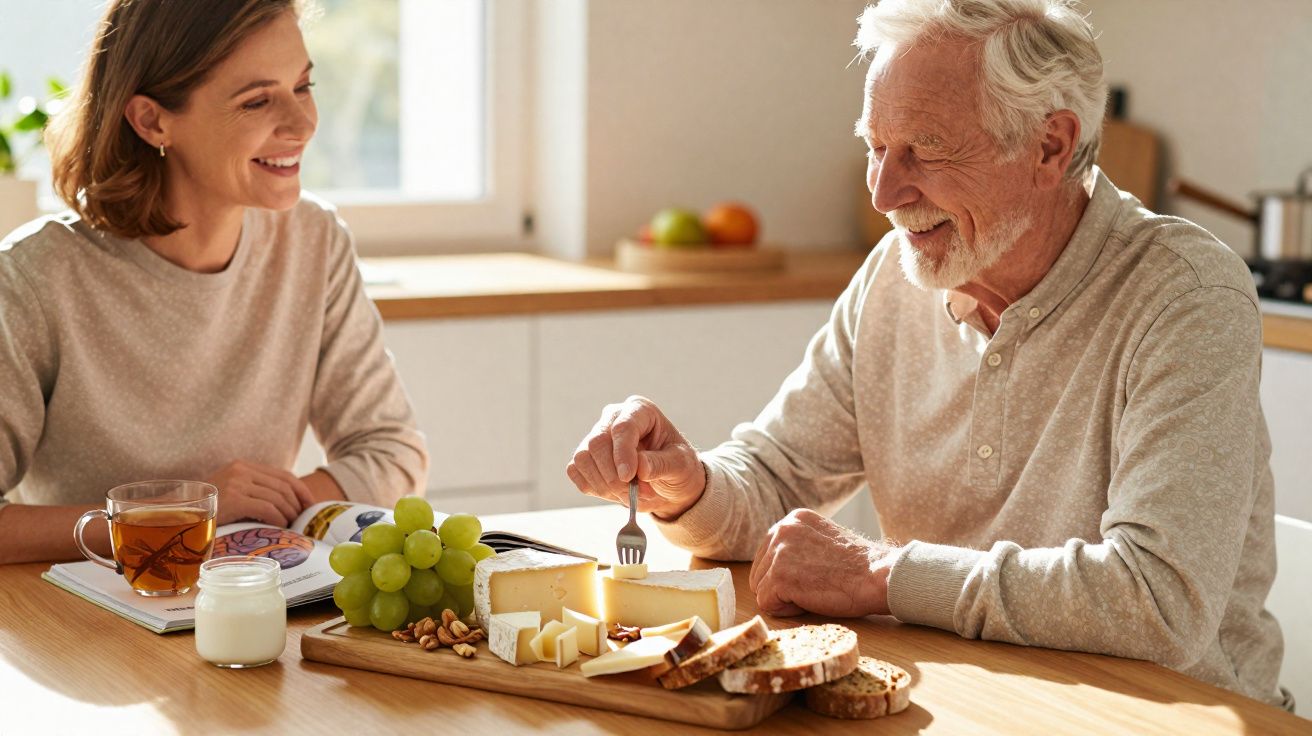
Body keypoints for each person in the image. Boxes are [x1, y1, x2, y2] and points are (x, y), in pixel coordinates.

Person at [566, 0, 1290, 710]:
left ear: (1050, 147)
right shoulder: (894, 274)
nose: (884, 192)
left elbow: (1158, 601)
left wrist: (881, 575)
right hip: (966, 700)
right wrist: (688, 485)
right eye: (875, 147)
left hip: (1166, 716)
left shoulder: (1186, 295)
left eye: (927, 150)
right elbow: (776, 478)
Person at [0, 0, 428, 564]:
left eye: (302, 86)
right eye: (256, 100)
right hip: (81, 626)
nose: (303, 123)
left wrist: (251, 518)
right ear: (152, 120)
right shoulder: (35, 277)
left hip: (243, 600)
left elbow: (390, 450)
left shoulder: (313, 242)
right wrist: (179, 516)